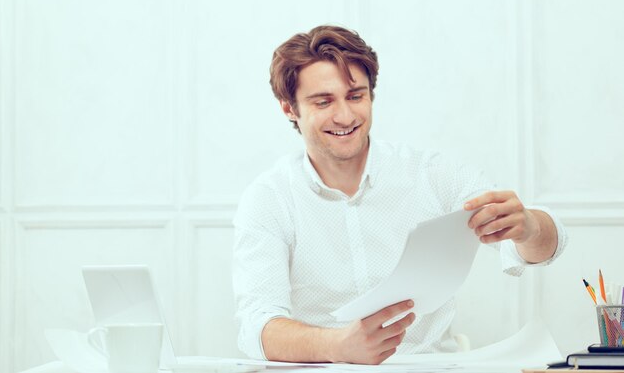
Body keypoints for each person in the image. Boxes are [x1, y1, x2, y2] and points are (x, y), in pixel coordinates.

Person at [232, 25, 567, 365]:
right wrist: (337, 346)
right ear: (289, 108)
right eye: (323, 101)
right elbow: (258, 326)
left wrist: (530, 227)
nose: (345, 116)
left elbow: (542, 246)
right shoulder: (269, 198)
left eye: (355, 96)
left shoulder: (431, 173)